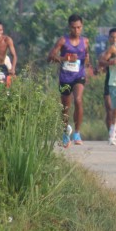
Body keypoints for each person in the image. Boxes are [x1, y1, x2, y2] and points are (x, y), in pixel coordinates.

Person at [48, 14, 94, 147]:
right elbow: (50, 57)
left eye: (79, 27)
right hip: (65, 77)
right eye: (74, 28)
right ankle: (65, 133)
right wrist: (65, 59)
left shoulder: (85, 41)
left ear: (82, 27)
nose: (76, 30)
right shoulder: (63, 41)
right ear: (69, 27)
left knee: (78, 100)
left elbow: (86, 56)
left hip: (79, 76)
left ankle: (77, 133)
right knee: (65, 107)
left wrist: (87, 62)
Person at [100, 27, 116, 144]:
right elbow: (101, 63)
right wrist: (111, 62)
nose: (114, 39)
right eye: (112, 37)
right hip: (110, 82)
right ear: (109, 38)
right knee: (109, 109)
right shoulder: (107, 53)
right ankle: (111, 133)